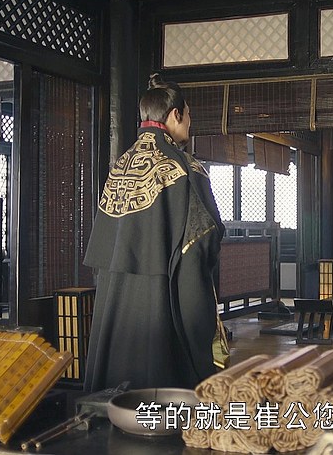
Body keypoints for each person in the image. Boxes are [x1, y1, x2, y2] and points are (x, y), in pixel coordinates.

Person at [83, 75, 229, 392]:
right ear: (175, 114)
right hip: (162, 294)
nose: (189, 123)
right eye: (187, 115)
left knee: (116, 383)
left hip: (115, 296)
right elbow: (202, 240)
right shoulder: (186, 168)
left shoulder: (120, 166)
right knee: (163, 385)